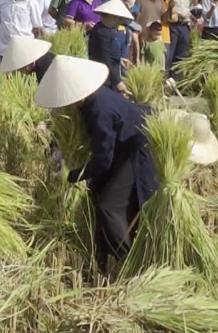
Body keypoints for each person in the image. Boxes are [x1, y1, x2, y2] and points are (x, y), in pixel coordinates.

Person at [34, 56, 159, 270]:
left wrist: (72, 175)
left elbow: (103, 159)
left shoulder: (98, 110)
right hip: (126, 146)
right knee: (100, 191)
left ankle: (125, 261)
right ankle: (106, 251)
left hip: (139, 150)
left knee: (109, 206)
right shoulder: (92, 100)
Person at [89, 0, 134, 95]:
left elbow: (109, 53)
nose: (120, 21)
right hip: (103, 76)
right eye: (118, 18)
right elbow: (105, 58)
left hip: (109, 74)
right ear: (108, 16)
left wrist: (119, 59)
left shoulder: (109, 30)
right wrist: (118, 81)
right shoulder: (101, 32)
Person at [163, 0, 193, 79]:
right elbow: (166, 8)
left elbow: (187, 6)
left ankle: (176, 80)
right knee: (169, 55)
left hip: (185, 24)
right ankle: (166, 79)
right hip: (173, 24)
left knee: (181, 55)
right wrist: (180, 14)